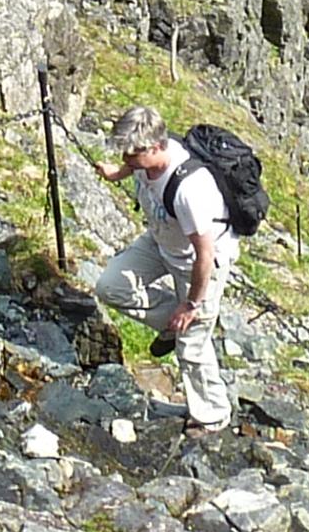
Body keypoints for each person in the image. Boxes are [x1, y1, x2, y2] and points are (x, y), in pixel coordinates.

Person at [95, 107, 234, 435]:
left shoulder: (190, 191)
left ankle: (213, 416)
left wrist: (191, 306)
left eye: (132, 153)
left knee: (193, 347)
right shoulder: (144, 160)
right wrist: (117, 173)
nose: (127, 157)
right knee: (111, 286)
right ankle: (176, 326)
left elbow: (205, 254)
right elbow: (136, 170)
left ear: (155, 147)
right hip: (160, 242)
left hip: (196, 264)